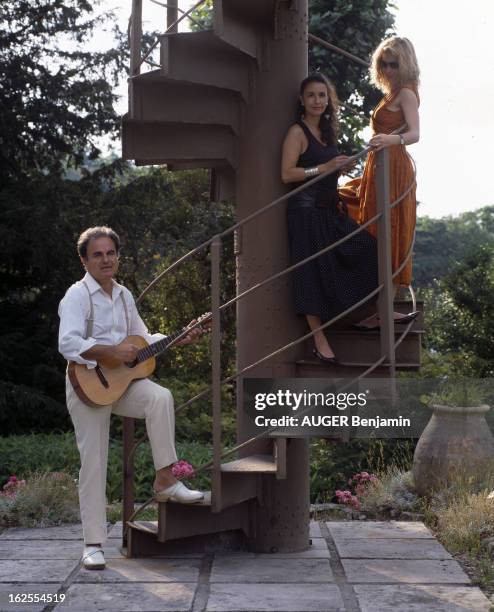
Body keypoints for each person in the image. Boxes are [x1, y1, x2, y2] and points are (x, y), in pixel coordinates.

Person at [58, 226, 204, 570]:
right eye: (98, 254)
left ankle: (166, 479)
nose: (106, 260)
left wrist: (177, 338)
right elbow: (68, 343)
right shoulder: (76, 296)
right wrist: (111, 352)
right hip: (87, 386)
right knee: (93, 464)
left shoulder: (123, 295)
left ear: (118, 256)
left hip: (121, 386)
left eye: (111, 253)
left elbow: (140, 338)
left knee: (159, 397)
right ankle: (93, 544)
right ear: (84, 260)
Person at [281, 74, 379, 362]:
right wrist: (322, 168)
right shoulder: (296, 133)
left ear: (328, 100)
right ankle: (319, 339)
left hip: (329, 211)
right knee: (309, 274)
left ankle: (363, 316)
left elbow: (325, 168)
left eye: (322, 95)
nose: (317, 101)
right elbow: (287, 174)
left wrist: (338, 167)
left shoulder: (327, 132)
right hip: (305, 213)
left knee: (367, 248)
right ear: (302, 100)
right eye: (311, 95)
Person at [340, 36, 420, 329]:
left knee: (385, 231)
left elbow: (415, 133)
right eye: (383, 64)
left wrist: (391, 139)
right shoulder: (392, 93)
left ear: (405, 63)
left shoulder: (407, 94)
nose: (387, 69)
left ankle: (383, 311)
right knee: (365, 221)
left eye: (393, 64)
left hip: (394, 166)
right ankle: (379, 308)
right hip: (378, 164)